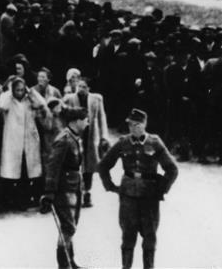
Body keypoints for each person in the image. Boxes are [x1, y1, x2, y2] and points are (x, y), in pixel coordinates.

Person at [97, 108, 179, 269]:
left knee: (149, 236)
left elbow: (172, 169)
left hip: (149, 196)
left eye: (136, 125)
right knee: (128, 235)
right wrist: (111, 186)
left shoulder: (154, 142)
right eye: (130, 125)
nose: (132, 128)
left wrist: (161, 189)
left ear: (144, 125)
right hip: (128, 196)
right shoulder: (123, 142)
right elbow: (103, 166)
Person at [40, 106, 89, 269]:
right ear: (77, 121)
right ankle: (63, 265)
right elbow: (53, 167)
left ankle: (70, 261)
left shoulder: (75, 137)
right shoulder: (64, 139)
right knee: (68, 227)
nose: (87, 122)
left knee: (71, 225)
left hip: (74, 186)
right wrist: (49, 192)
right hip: (64, 189)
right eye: (85, 119)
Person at [0, 75, 48, 209]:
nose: (19, 92)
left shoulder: (29, 99)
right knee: (12, 173)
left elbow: (42, 103)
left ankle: (26, 199)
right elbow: (1, 105)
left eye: (21, 90)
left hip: (29, 139)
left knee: (27, 171)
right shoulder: (8, 99)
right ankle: (12, 200)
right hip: (13, 140)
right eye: (17, 90)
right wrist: (9, 90)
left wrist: (30, 92)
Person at [63, 76, 110, 207]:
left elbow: (102, 118)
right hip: (75, 135)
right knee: (75, 164)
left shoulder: (96, 99)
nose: (81, 89)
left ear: (89, 88)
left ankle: (87, 193)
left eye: (84, 87)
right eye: (79, 86)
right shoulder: (69, 99)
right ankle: (76, 193)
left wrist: (103, 136)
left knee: (89, 166)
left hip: (90, 135)